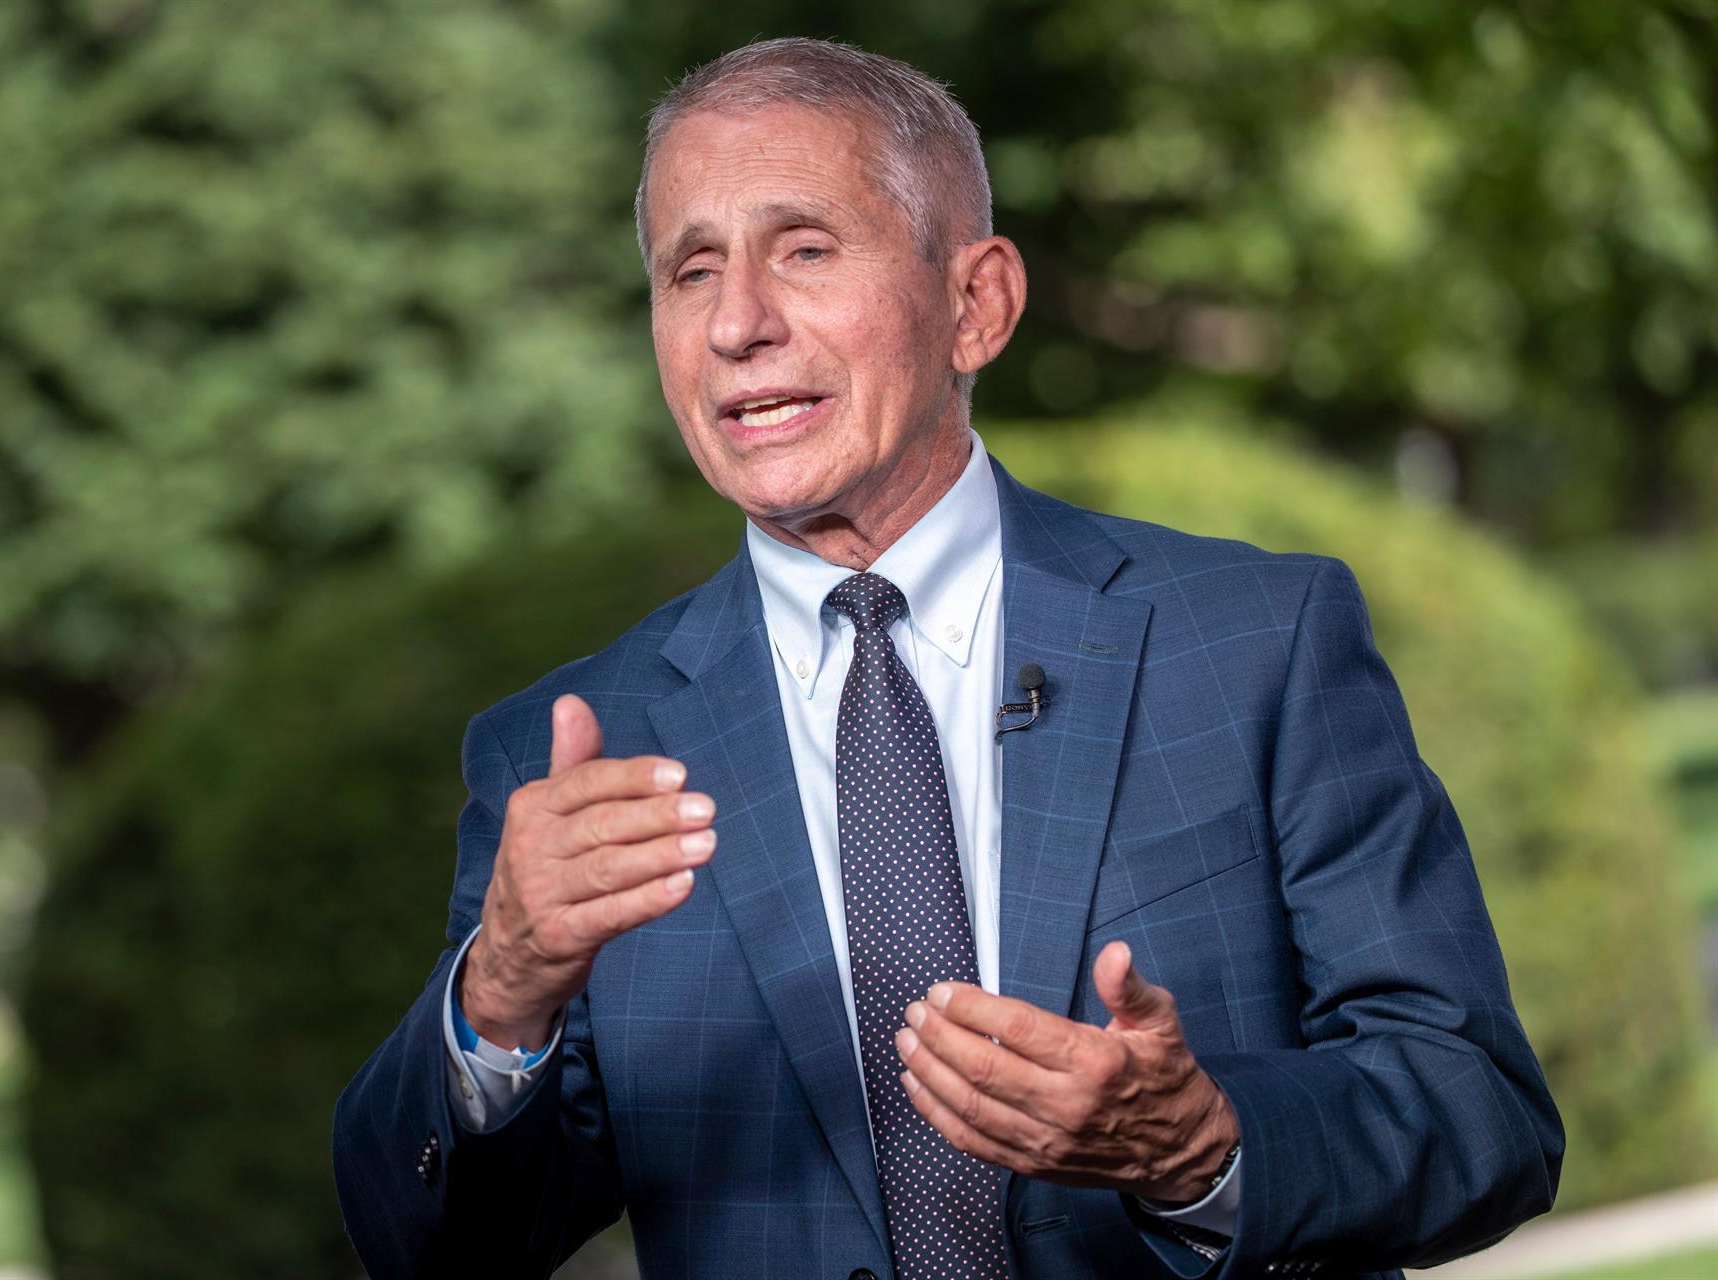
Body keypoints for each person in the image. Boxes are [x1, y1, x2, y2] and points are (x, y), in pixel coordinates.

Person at [331, 37, 1562, 1280]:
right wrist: (501, 996)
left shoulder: (1256, 643)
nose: (737, 323)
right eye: (690, 270)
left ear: (977, 304)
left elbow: (1481, 1110)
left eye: (805, 250)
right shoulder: (573, 753)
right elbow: (426, 1247)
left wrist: (1202, 1146)